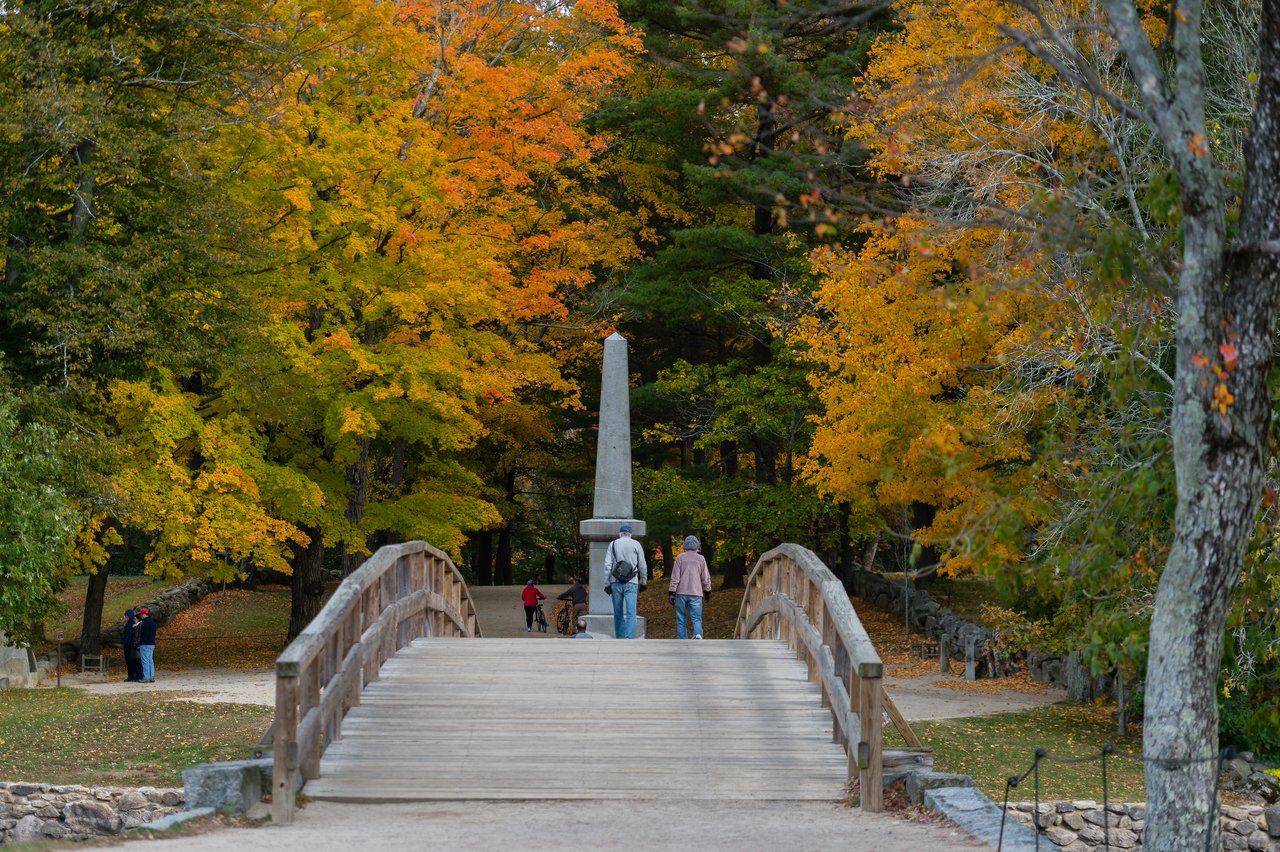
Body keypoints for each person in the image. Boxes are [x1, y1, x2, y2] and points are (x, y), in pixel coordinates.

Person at [603, 523, 647, 639]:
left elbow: (607, 566)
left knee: (618, 613)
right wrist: (643, 582)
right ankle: (628, 638)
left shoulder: (612, 544)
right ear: (631, 534)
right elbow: (642, 565)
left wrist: (607, 584)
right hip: (631, 582)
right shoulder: (636, 544)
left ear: (620, 533)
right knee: (631, 612)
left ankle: (620, 637)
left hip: (615, 582)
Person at [668, 535, 712, 640]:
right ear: (697, 546)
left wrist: (671, 592)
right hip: (696, 592)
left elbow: (675, 577)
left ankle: (682, 639)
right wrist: (707, 591)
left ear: (685, 546)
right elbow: (705, 577)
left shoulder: (680, 558)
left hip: (681, 593)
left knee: (681, 618)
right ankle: (697, 635)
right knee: (696, 618)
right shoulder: (701, 559)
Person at [137, 607, 157, 683]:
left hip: (145, 644)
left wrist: (139, 643)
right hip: (151, 643)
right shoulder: (153, 622)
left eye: (141, 614)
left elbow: (143, 635)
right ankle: (152, 676)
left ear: (144, 614)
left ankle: (146, 677)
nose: (140, 616)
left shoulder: (144, 623)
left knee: (145, 661)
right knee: (150, 660)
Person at [121, 609, 141, 682]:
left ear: (128, 616)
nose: (124, 618)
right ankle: (131, 675)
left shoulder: (130, 624)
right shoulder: (129, 624)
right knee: (130, 661)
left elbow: (129, 636)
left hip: (130, 645)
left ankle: (133, 675)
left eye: (125, 616)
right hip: (129, 645)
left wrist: (126, 643)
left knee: (132, 661)